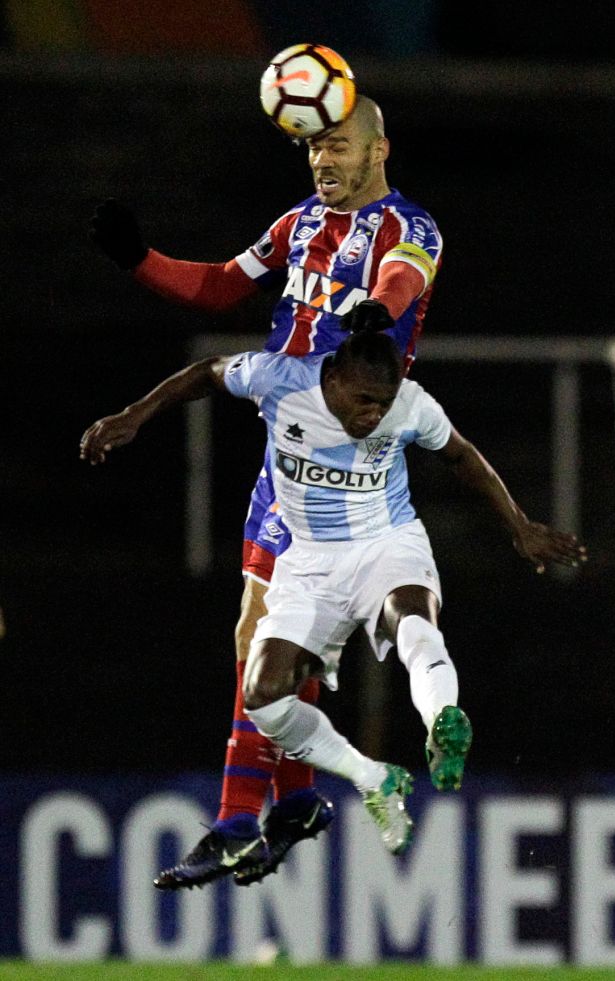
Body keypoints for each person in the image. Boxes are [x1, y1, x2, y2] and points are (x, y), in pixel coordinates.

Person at [89, 94, 444, 885]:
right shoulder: (298, 226)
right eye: (314, 146)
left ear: (378, 149)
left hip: (347, 470)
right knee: (266, 638)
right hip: (284, 457)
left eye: (340, 145)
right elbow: (220, 286)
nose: (323, 158)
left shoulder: (409, 228)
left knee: (271, 640)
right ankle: (289, 802)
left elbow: (398, 282)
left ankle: (239, 818)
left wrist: (371, 315)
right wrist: (139, 258)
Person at [80, 327, 587, 879]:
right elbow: (205, 372)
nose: (374, 415)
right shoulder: (280, 380)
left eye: (384, 404)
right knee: (263, 698)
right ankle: (374, 779)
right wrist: (135, 414)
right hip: (309, 564)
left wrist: (519, 526)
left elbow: (462, 455)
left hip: (386, 543)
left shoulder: (410, 405)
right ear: (335, 377)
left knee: (411, 619)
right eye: (364, 400)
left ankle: (443, 719)